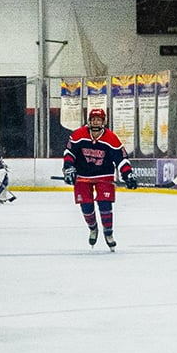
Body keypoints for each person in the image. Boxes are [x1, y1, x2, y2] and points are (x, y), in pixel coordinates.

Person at [61, 107, 138, 250]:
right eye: (93, 119)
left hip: (104, 175)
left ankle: (108, 233)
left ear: (104, 122)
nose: (96, 122)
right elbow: (69, 153)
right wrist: (68, 167)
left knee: (105, 204)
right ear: (89, 121)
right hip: (83, 175)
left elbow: (121, 159)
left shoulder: (111, 138)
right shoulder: (78, 135)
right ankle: (93, 228)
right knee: (86, 206)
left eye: (99, 119)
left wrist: (128, 174)